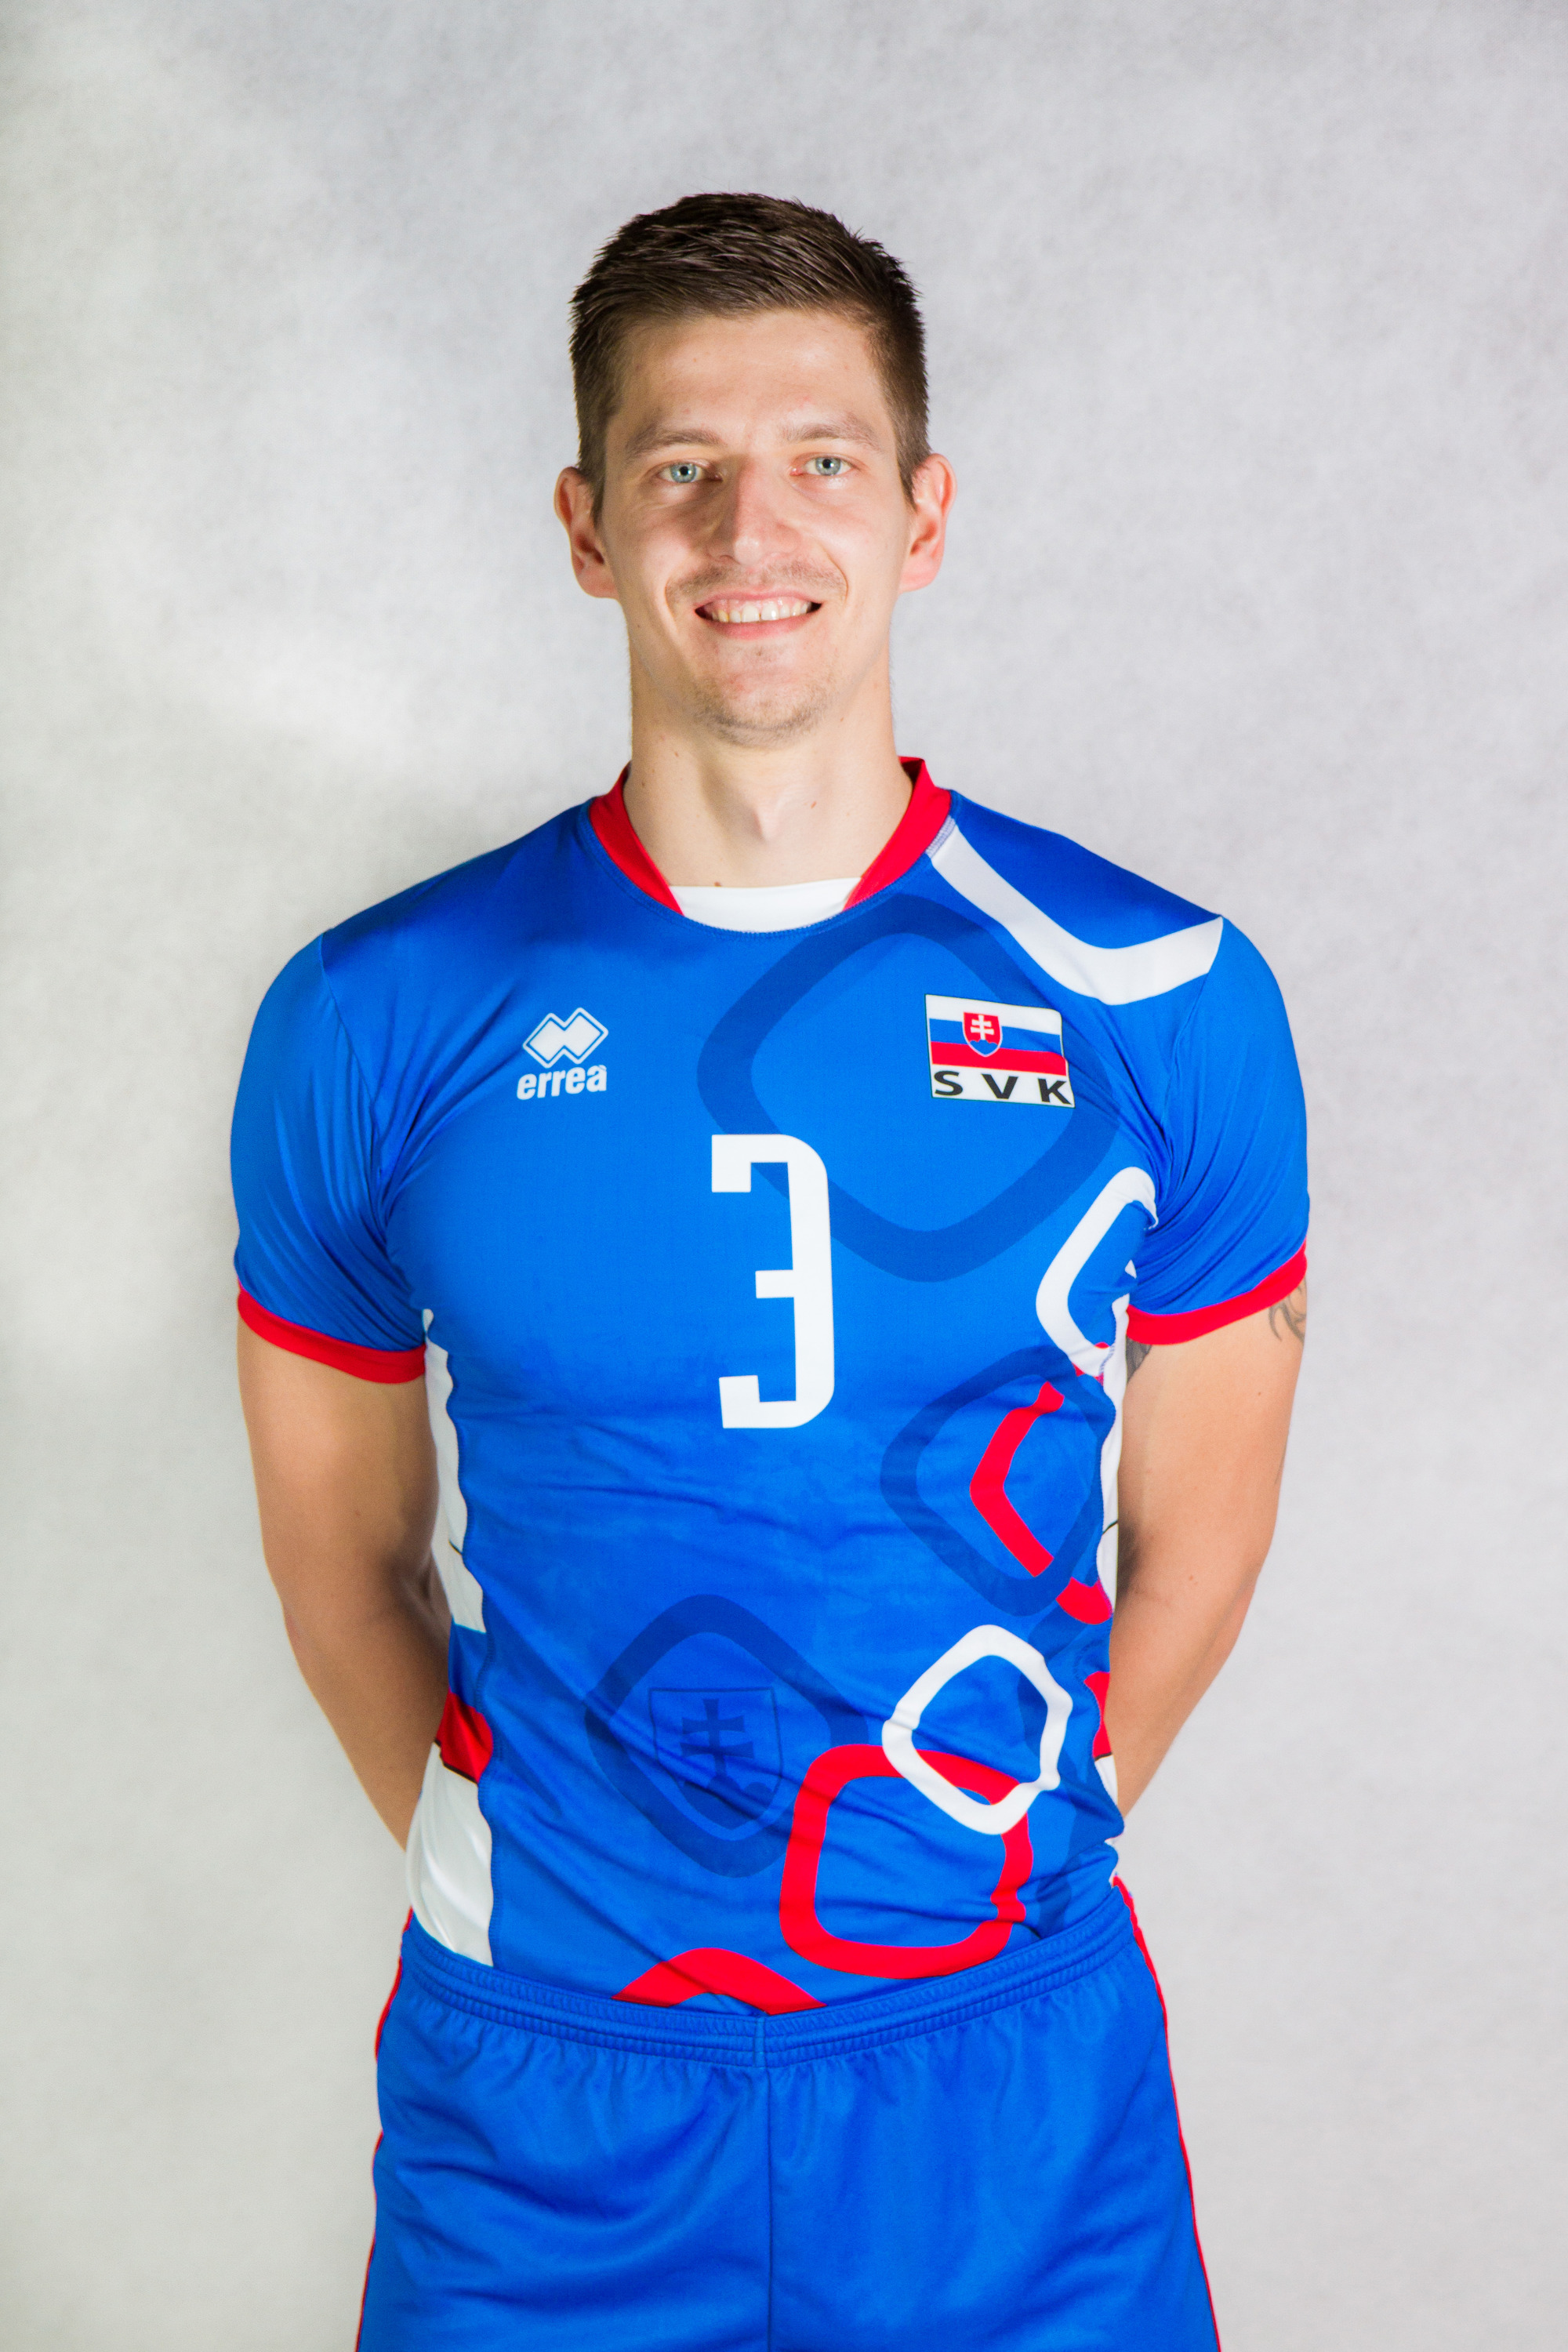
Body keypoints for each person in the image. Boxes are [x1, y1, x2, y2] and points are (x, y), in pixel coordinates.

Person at [233, 191, 1308, 2352]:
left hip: (1005, 2093)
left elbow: (1198, 1539)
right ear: (585, 524)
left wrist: (995, 1854)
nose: (753, 530)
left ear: (924, 514)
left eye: (822, 459)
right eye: (682, 466)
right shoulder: (376, 1014)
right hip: (546, 2103)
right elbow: (341, 1560)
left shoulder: (1163, 997)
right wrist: (533, 1876)